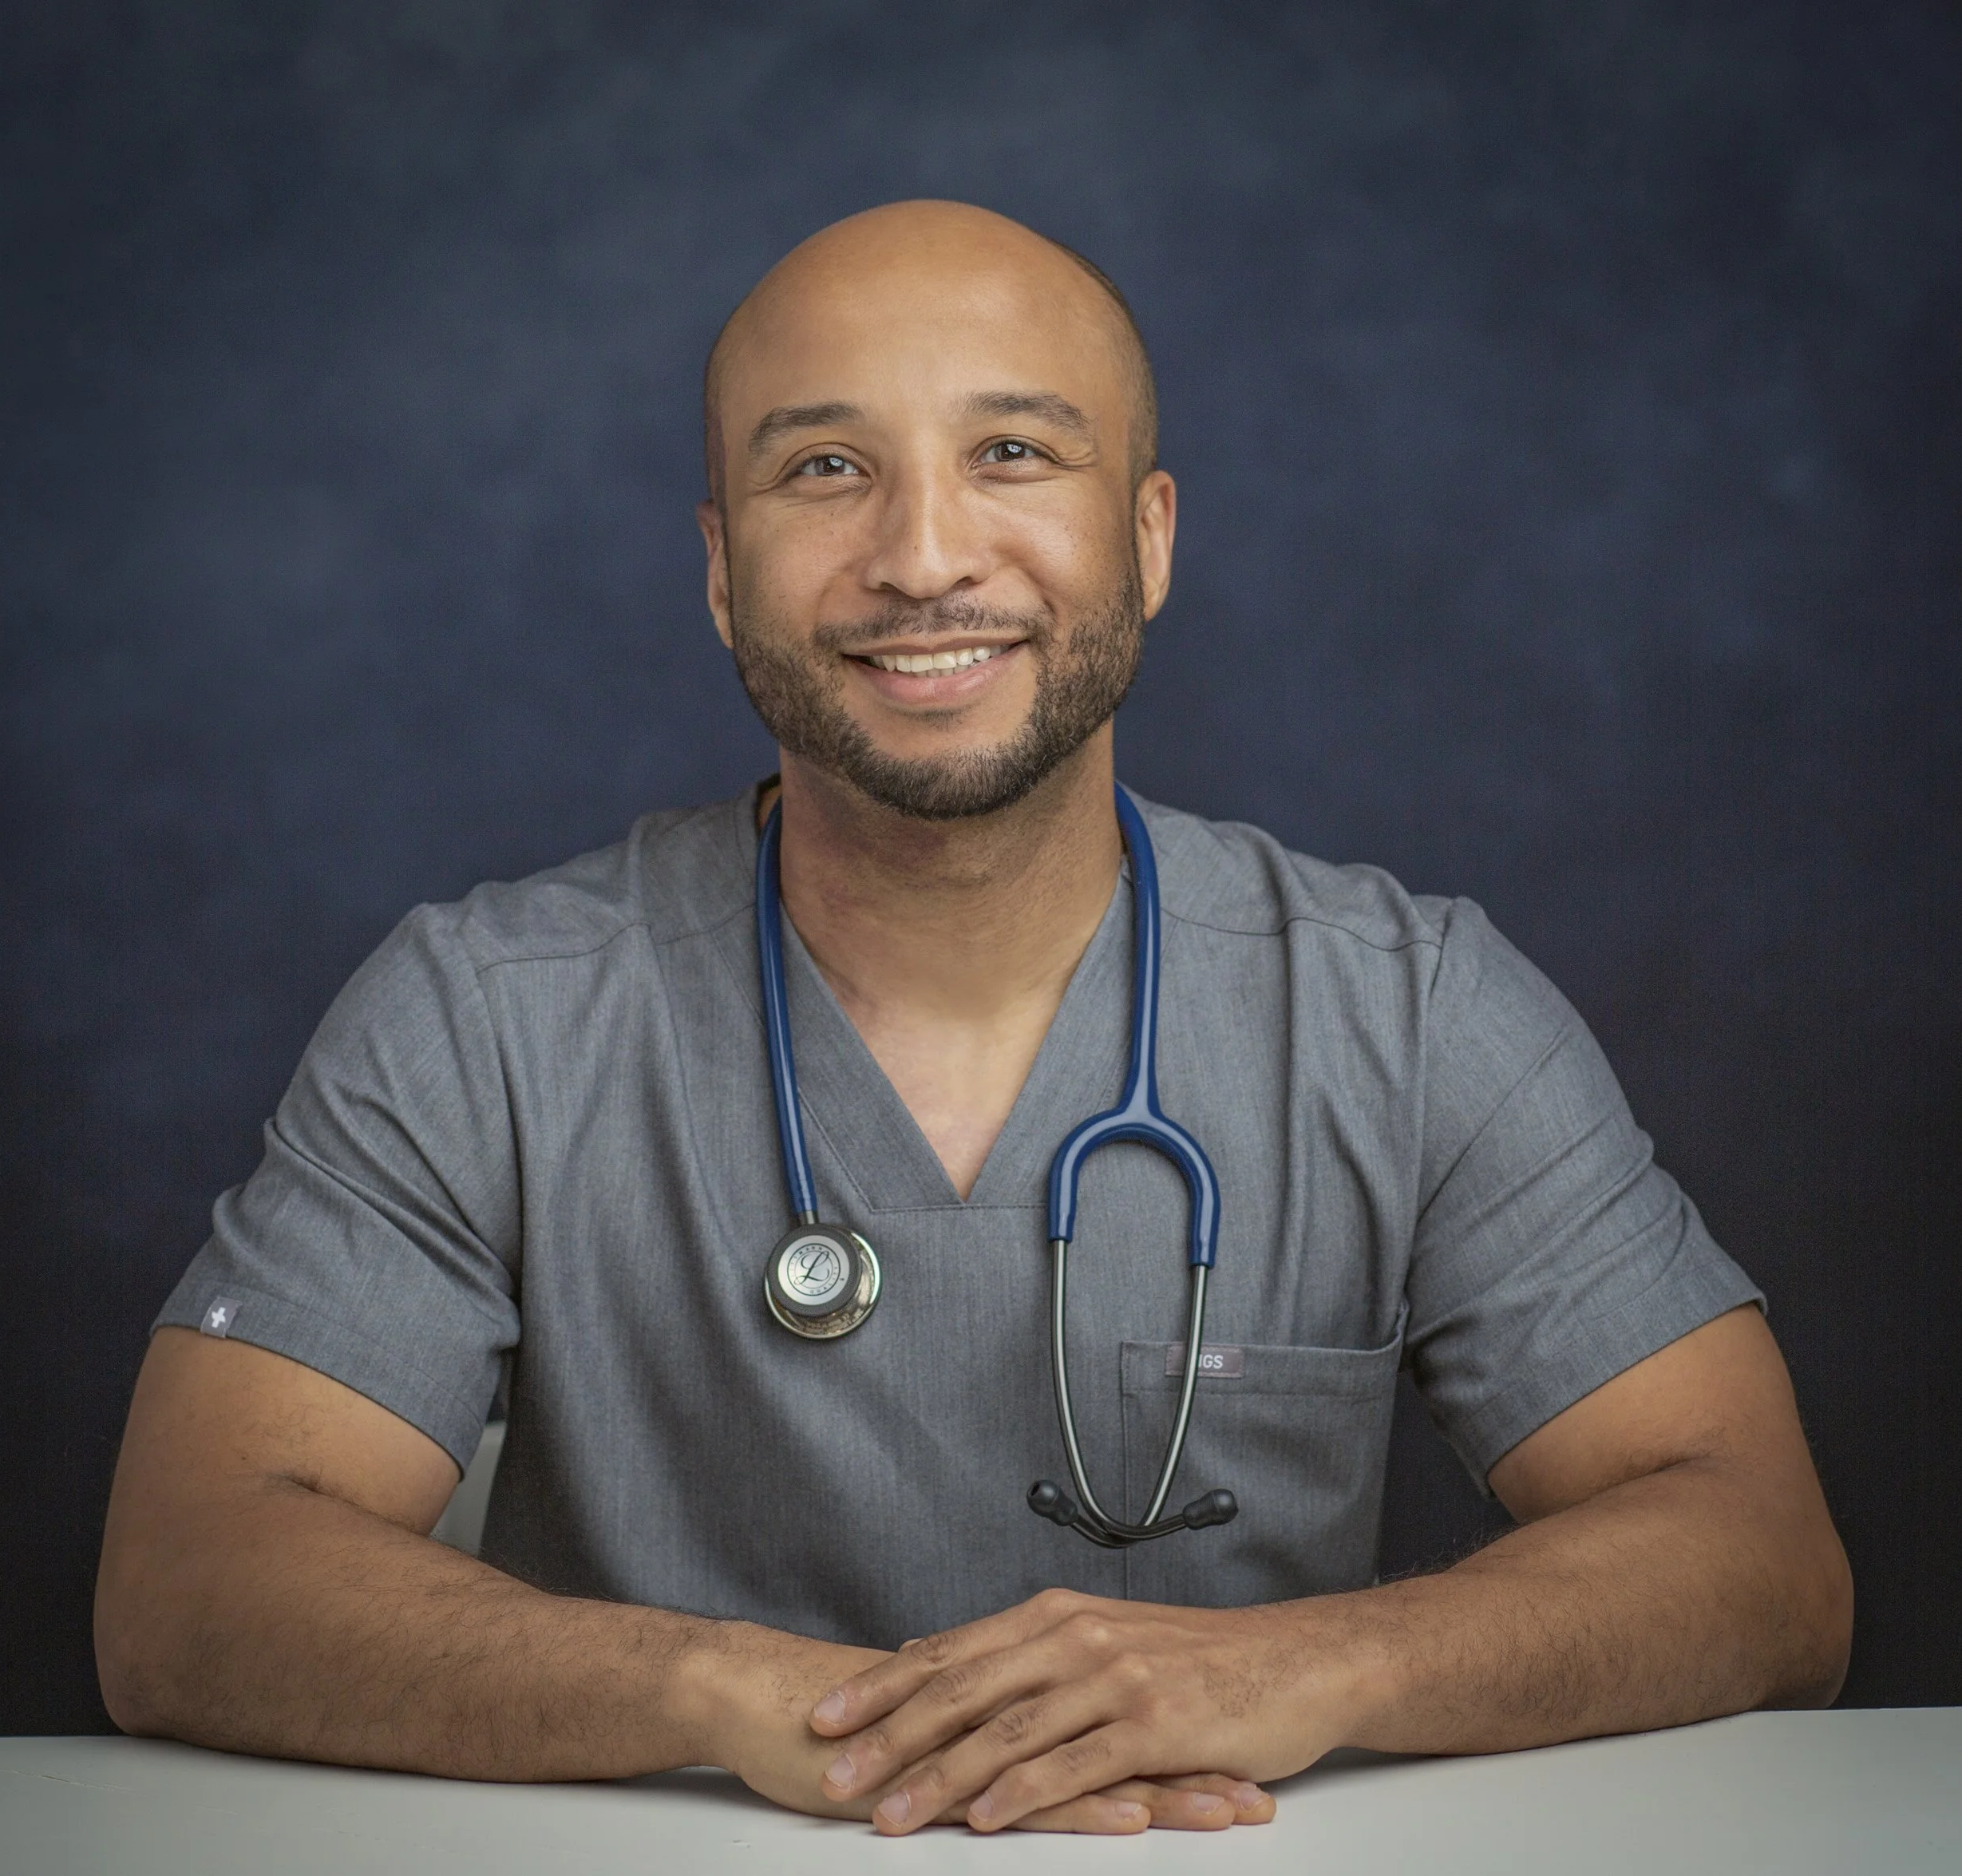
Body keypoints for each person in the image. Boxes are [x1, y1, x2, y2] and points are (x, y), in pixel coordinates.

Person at [95, 200, 1853, 1838]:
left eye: (1011, 453)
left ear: (1145, 536)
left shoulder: (1403, 1006)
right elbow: (186, 1586)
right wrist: (743, 1691)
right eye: (825, 468)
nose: (922, 553)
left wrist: (1310, 1667)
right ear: (720, 569)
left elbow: (1762, 1557)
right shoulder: (484, 1017)